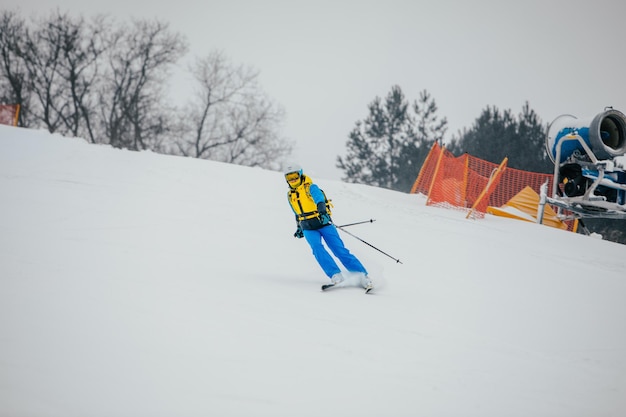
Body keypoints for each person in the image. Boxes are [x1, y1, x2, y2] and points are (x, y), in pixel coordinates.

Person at [284, 164, 373, 290]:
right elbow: (296, 212)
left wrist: (322, 211)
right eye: (289, 177)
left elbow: (319, 198)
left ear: (300, 174)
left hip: (323, 223)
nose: (293, 180)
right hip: (307, 227)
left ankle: (363, 276)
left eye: (294, 176)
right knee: (317, 249)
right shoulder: (290, 195)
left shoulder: (310, 187)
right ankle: (335, 275)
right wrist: (299, 227)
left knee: (338, 249)